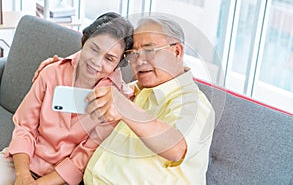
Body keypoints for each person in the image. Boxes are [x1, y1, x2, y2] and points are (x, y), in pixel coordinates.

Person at [32, 15, 215, 184]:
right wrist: (61, 68)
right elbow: (101, 83)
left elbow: (177, 148)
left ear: (176, 51)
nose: (139, 60)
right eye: (133, 53)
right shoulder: (142, 90)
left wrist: (124, 107)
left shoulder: (194, 103)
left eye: (149, 50)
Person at [0, 12, 134, 185]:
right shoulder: (51, 72)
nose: (96, 62)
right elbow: (24, 127)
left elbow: (82, 158)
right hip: (22, 161)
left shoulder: (114, 101)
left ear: (117, 64)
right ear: (84, 41)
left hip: (61, 178)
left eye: (109, 59)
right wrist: (22, 174)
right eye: (94, 49)